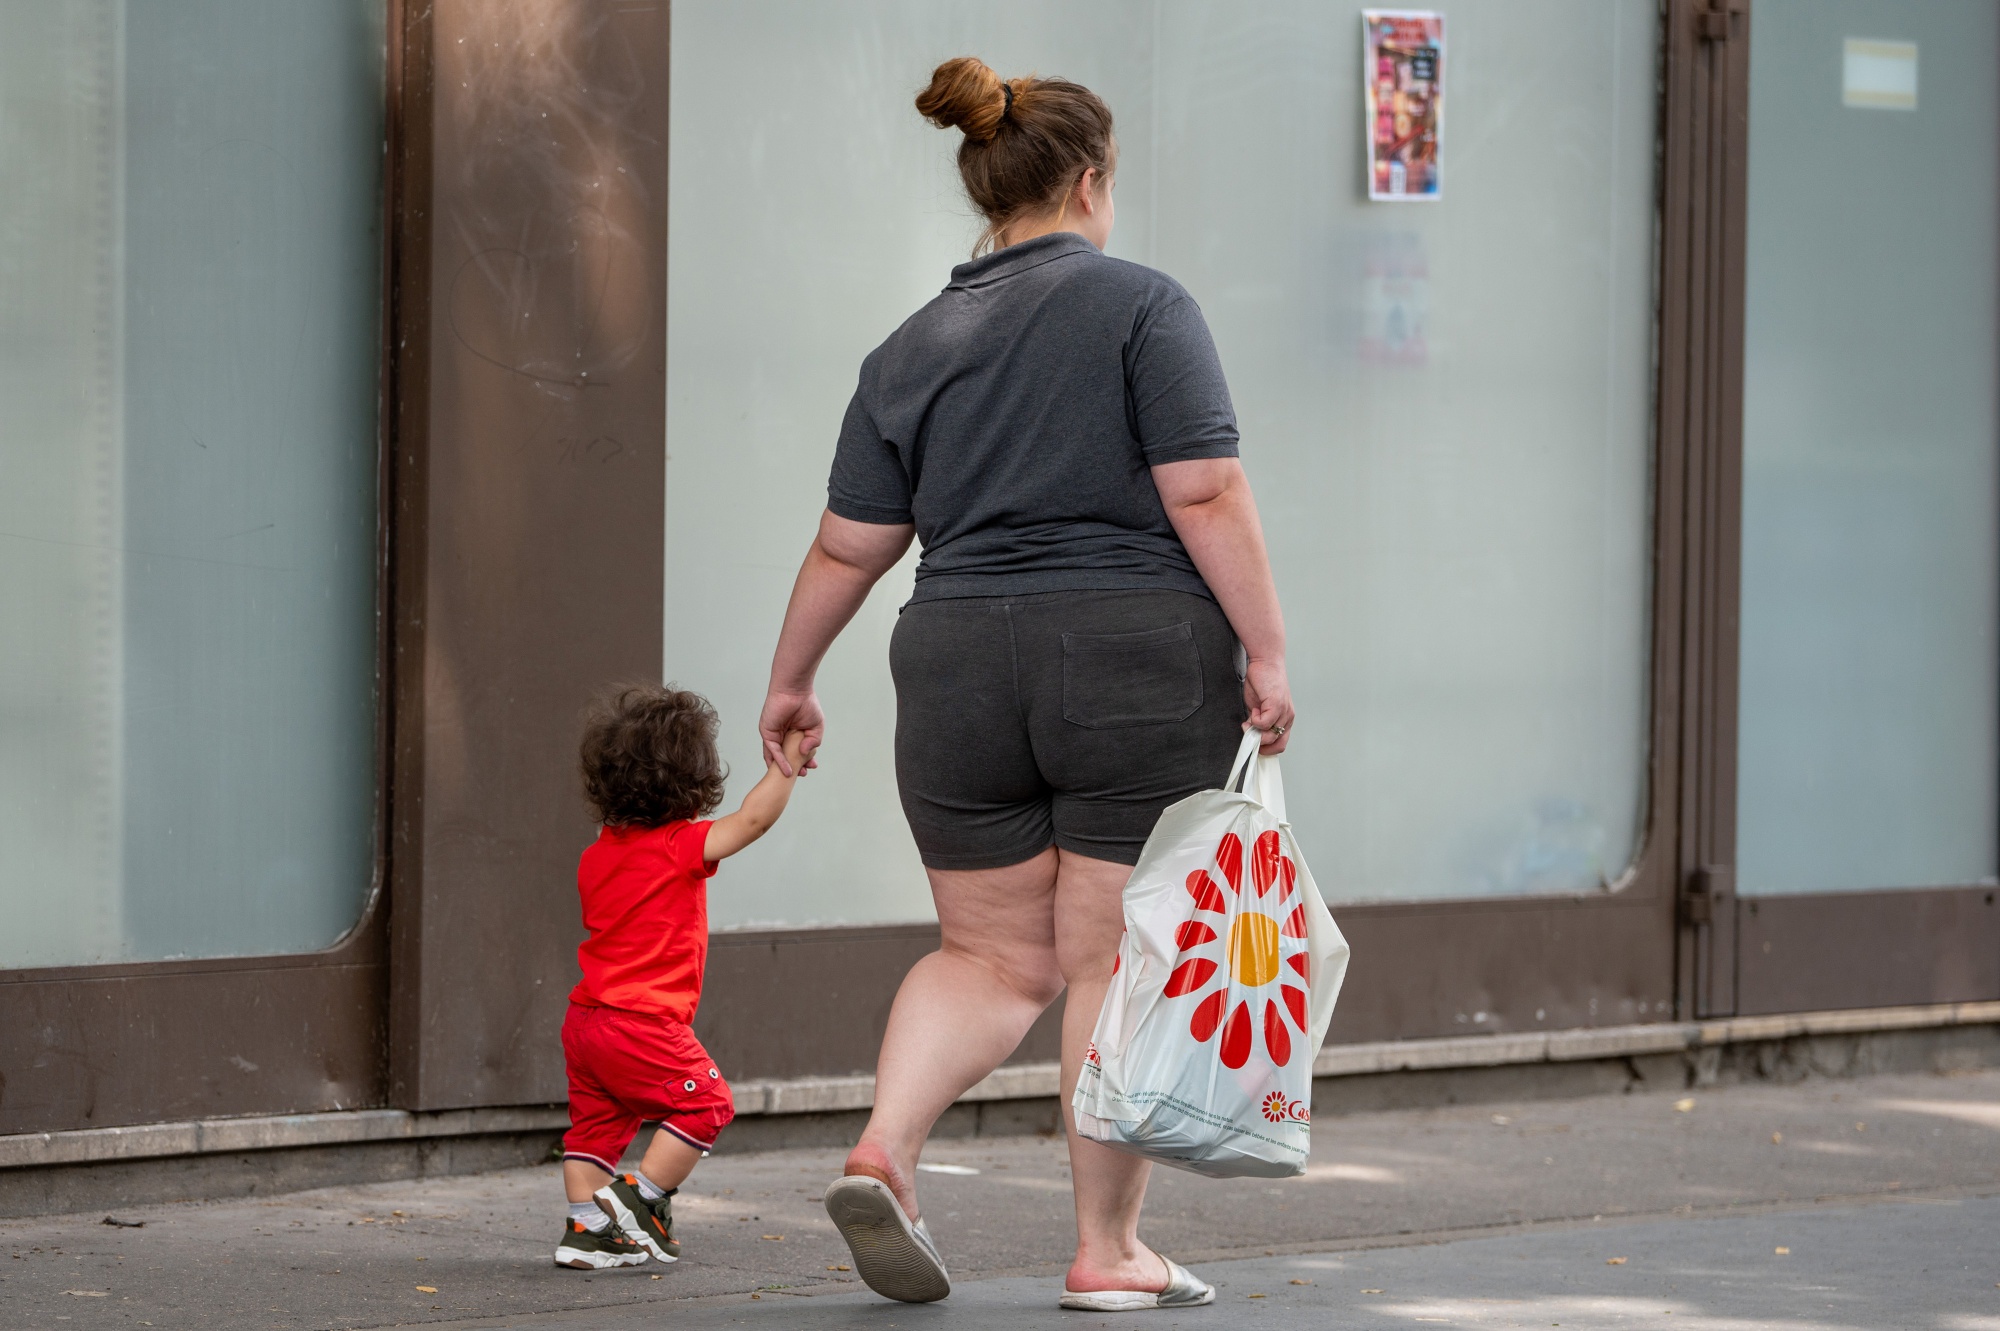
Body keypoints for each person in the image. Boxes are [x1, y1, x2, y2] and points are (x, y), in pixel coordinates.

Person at [757, 56, 1295, 1310]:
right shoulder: (1143, 306)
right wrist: (1266, 648)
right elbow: (1204, 488)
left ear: (984, 188)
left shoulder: (908, 348)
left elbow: (848, 545)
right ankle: (1106, 1249)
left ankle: (884, 1149)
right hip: (1129, 655)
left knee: (987, 955)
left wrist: (789, 678)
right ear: (1090, 180)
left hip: (952, 661)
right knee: (1106, 958)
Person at [553, 685, 809, 1271]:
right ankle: (640, 1200)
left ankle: (588, 1231)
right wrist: (789, 761)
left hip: (586, 1022)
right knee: (707, 1102)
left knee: (595, 1131)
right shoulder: (676, 846)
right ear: (693, 781)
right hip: (641, 1023)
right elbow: (752, 820)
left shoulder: (596, 854)